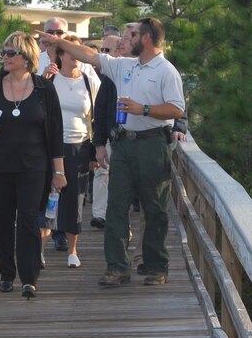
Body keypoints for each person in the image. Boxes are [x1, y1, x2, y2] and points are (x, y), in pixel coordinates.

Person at [38, 17, 185, 286]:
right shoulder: (126, 66)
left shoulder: (166, 71)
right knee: (116, 206)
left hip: (153, 144)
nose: (127, 40)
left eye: (133, 35)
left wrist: (145, 109)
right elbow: (91, 56)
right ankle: (117, 267)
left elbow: (177, 109)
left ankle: (155, 267)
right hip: (125, 144)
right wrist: (58, 41)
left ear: (147, 38)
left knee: (155, 207)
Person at [0, 31, 66, 299]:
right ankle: (6, 274)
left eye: (11, 53)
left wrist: (59, 171)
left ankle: (29, 277)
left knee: (28, 221)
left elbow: (56, 132)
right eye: (4, 52)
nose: (5, 58)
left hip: (34, 167)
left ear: (27, 58)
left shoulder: (45, 89)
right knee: (2, 222)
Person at [37, 17, 97, 253]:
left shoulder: (89, 79)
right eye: (70, 52)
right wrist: (43, 80)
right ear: (60, 55)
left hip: (79, 145)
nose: (75, 56)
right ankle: (41, 244)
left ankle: (69, 244)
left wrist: (98, 147)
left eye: (78, 52)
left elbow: (97, 113)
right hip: (50, 144)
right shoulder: (47, 75)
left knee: (75, 197)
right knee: (48, 195)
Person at [90, 32, 124, 229]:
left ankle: (119, 217)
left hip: (136, 139)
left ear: (119, 50)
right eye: (101, 50)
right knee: (102, 172)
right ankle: (99, 214)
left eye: (107, 50)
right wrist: (99, 143)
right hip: (113, 135)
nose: (103, 54)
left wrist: (179, 127)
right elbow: (100, 109)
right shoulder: (108, 76)